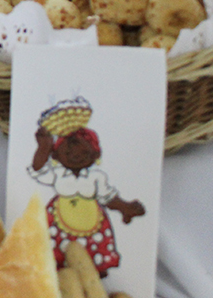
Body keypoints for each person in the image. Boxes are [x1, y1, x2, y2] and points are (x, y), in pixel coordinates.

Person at [29, 100, 145, 276]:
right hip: (59, 217)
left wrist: (125, 208)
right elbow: (39, 169)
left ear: (95, 155)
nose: (76, 157)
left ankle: (95, 272)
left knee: (94, 247)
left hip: (90, 218)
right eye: (68, 153)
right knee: (51, 246)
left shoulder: (96, 177)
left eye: (84, 153)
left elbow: (108, 197)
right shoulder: (58, 174)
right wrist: (43, 147)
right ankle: (56, 267)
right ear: (56, 155)